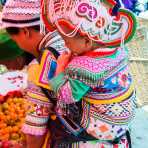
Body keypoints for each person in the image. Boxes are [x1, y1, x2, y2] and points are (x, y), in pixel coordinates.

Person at [42, 0, 137, 147]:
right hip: (126, 117)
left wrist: (60, 66)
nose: (65, 45)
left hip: (106, 125)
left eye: (66, 41)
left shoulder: (87, 68)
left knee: (60, 116)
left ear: (87, 41)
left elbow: (66, 96)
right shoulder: (116, 51)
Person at [0, 0, 68, 147]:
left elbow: (35, 130)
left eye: (15, 39)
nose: (18, 45)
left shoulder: (39, 67)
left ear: (25, 32)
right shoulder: (67, 37)